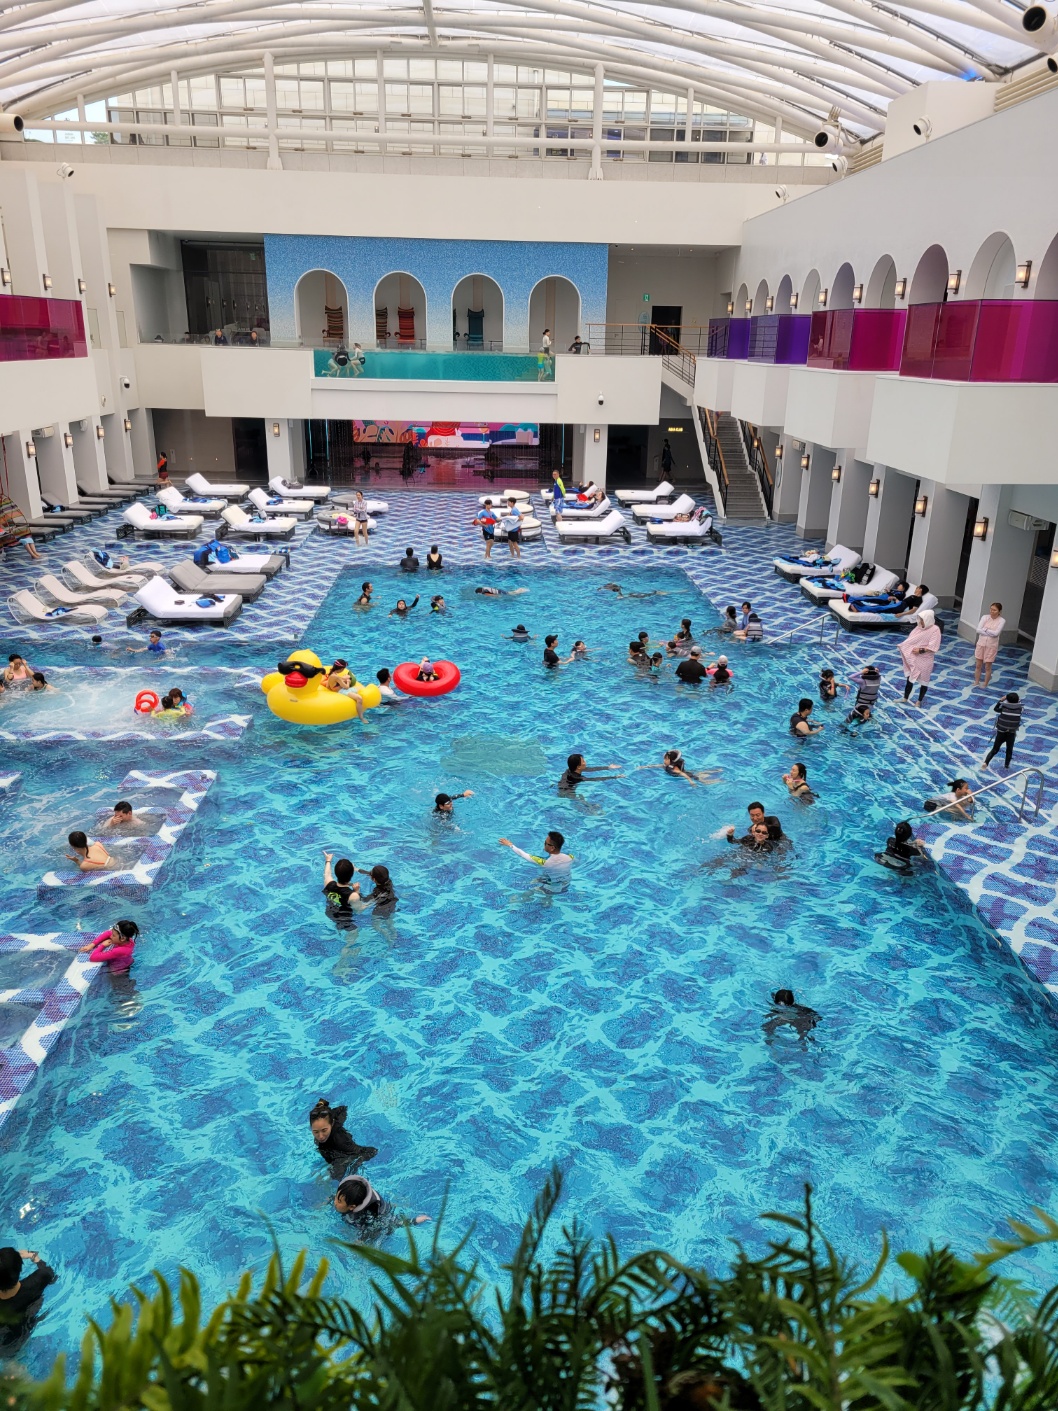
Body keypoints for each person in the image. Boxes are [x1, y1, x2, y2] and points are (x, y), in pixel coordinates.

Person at [0, 1247, 56, 1350]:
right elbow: (51, 1274)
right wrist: (33, 1256)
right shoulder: (39, 1279)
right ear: (20, 1268)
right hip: (22, 1333)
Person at [333, 1173, 429, 1233]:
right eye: (336, 1197)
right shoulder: (349, 1196)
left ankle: (416, 1219)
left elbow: (393, 1223)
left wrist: (414, 1221)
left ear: (351, 1207)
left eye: (339, 1201)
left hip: (380, 1219)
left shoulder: (369, 1216)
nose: (335, 1202)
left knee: (386, 1227)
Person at [308, 1097, 377, 1175]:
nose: (320, 1136)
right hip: (332, 1140)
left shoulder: (341, 1140)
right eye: (315, 1131)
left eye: (324, 1130)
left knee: (338, 1174)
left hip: (341, 1147)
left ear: (332, 1124)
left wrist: (353, 1163)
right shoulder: (319, 1120)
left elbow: (372, 1151)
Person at [898, 610, 942, 706]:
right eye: (920, 619)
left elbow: (933, 646)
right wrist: (903, 646)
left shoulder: (935, 630)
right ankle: (905, 698)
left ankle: (919, 701)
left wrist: (921, 650)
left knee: (924, 681)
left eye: (922, 620)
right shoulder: (918, 628)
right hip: (914, 657)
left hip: (926, 659)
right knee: (910, 677)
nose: (921, 622)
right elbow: (911, 640)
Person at [499, 831, 573, 875]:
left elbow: (522, 854)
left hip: (549, 888)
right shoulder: (570, 857)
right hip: (565, 885)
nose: (544, 844)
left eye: (545, 843)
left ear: (552, 848)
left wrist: (509, 844)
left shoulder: (543, 862)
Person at [982, 692, 1024, 771]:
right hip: (1011, 734)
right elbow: (1019, 703)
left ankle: (986, 763)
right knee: (1009, 750)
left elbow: (995, 709)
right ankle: (1006, 766)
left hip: (1001, 733)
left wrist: (1001, 700)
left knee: (995, 750)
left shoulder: (1003, 709)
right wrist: (1017, 700)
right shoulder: (1020, 710)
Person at [636, 749, 719, 787]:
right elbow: (656, 765)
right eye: (664, 758)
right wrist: (644, 767)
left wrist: (691, 782)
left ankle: (719, 781)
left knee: (702, 781)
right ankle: (715, 770)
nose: (664, 760)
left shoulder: (674, 768)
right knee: (698, 773)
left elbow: (682, 774)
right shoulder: (666, 765)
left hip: (688, 775)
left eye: (666, 759)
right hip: (688, 772)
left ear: (671, 760)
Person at [321, 852, 358, 931]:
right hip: (344, 920)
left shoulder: (329, 883)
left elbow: (327, 874)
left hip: (329, 913)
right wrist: (356, 891)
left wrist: (328, 860)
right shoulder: (352, 895)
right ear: (351, 875)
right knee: (354, 931)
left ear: (335, 873)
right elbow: (358, 910)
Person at [973, 602, 1005, 687]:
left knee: (987, 666)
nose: (992, 611)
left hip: (991, 646)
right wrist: (989, 632)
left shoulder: (1001, 620)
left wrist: (985, 630)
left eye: (994, 610)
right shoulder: (985, 617)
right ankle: (976, 681)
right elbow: (978, 630)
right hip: (981, 644)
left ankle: (985, 683)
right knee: (978, 665)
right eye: (991, 609)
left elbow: (996, 633)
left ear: (999, 611)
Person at [558, 754, 623, 793]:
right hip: (567, 792)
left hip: (562, 786)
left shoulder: (570, 769)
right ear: (578, 767)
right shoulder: (578, 778)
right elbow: (596, 779)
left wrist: (608, 767)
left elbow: (591, 769)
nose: (585, 762)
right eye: (583, 761)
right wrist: (615, 777)